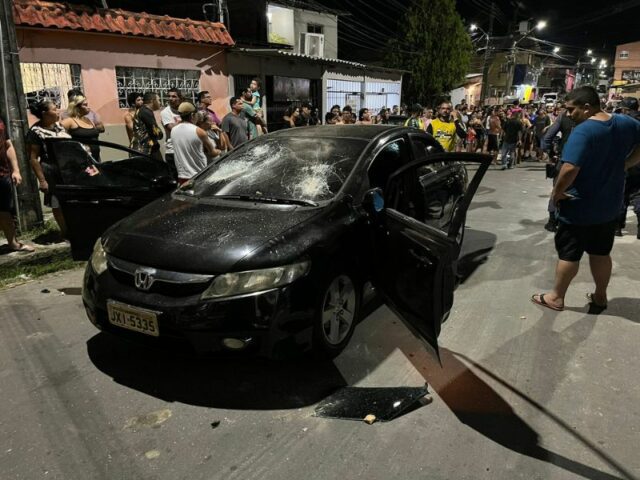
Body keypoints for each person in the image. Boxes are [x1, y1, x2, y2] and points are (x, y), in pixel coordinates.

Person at [531, 86, 640, 312]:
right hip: (609, 205)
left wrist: (557, 192)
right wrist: (627, 163)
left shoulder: (584, 131)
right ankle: (600, 297)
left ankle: (556, 297)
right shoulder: (625, 123)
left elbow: (570, 168)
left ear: (587, 107)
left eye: (572, 110)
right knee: (601, 252)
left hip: (579, 204)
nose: (569, 115)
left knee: (569, 253)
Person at [26, 99, 72, 238]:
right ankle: (65, 232)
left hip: (67, 170)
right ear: (45, 113)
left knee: (69, 200)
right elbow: (33, 158)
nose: (57, 111)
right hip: (51, 171)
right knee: (56, 202)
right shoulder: (35, 132)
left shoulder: (59, 126)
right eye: (54, 109)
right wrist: (42, 180)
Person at [0, 111, 35, 253]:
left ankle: (13, 244)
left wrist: (16, 170)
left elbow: (8, 144)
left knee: (5, 210)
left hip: (3, 174)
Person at [171, 102, 218, 184]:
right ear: (193, 115)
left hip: (182, 177)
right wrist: (220, 151)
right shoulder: (199, 131)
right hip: (199, 175)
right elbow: (213, 153)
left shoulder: (173, 130)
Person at [60, 95, 101, 161]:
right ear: (77, 107)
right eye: (85, 105)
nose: (88, 107)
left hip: (95, 159)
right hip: (80, 161)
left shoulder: (88, 120)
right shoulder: (70, 121)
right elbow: (58, 138)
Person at [131, 92, 163, 161]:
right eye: (158, 100)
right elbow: (157, 132)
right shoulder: (146, 112)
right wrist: (160, 134)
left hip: (143, 149)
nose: (160, 103)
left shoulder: (142, 110)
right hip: (144, 150)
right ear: (152, 101)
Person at [161, 88, 182, 178]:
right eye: (169, 96)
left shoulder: (183, 110)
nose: (170, 98)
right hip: (173, 151)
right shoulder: (166, 112)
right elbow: (173, 129)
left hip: (185, 149)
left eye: (174, 96)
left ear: (180, 98)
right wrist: (185, 121)